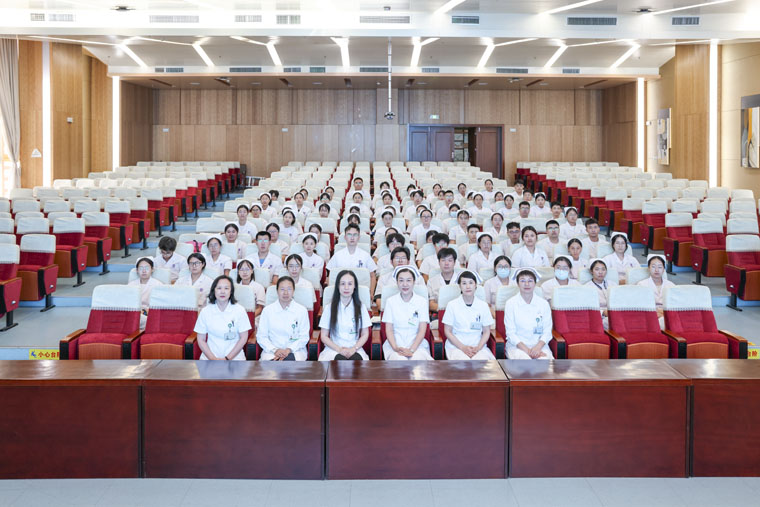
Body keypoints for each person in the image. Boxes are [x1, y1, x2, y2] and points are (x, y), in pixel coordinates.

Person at [381, 266, 433, 360]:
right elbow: (389, 330)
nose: (405, 284)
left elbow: (422, 330)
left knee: (417, 361)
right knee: (399, 361)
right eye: (401, 280)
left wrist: (412, 350)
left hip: (417, 346)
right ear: (397, 282)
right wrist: (395, 348)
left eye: (408, 280)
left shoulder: (422, 302)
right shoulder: (390, 302)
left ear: (414, 282)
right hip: (395, 345)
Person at [194, 275, 251, 361]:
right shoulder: (205, 311)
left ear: (231, 291)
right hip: (210, 357)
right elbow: (201, 339)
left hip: (235, 358)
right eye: (219, 288)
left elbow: (243, 338)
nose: (222, 292)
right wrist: (212, 358)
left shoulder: (240, 310)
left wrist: (227, 358)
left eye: (226, 288)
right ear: (214, 290)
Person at [441, 271, 495, 360]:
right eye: (464, 283)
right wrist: (463, 347)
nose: (468, 286)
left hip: (478, 346)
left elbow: (486, 331)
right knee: (463, 364)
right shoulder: (452, 305)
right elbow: (447, 331)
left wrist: (478, 348)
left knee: (482, 364)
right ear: (459, 286)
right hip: (456, 347)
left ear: (475, 285)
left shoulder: (483, 306)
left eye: (471, 283)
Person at [318, 270, 371, 360]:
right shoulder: (329, 308)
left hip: (355, 348)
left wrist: (354, 349)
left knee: (356, 361)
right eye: (342, 284)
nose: (346, 287)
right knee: (340, 361)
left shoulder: (361, 307)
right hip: (334, 349)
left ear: (354, 286)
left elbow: (365, 334)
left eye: (350, 284)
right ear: (338, 286)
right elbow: (324, 336)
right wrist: (339, 349)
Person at [256, 276, 311, 360]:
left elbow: (304, 337)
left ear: (293, 291)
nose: (285, 293)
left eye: (289, 289)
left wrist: (289, 350)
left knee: (290, 363)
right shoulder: (267, 310)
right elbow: (261, 336)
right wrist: (275, 350)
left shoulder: (301, 310)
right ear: (277, 291)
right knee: (273, 365)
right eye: (282, 289)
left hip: (295, 351)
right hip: (271, 352)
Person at [504, 267, 553, 360]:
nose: (527, 284)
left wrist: (537, 348)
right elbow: (510, 333)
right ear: (517, 283)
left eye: (530, 280)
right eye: (522, 280)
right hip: (517, 347)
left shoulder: (543, 304)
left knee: (545, 363)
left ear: (535, 283)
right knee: (525, 362)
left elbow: (547, 331)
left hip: (540, 346)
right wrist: (528, 351)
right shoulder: (511, 304)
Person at [326, 223, 377, 295]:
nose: (352, 238)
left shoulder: (365, 255)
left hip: (361, 293)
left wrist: (371, 293)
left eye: (355, 235)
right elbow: (330, 277)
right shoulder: (337, 255)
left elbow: (372, 276)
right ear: (345, 237)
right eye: (349, 235)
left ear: (359, 237)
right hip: (341, 293)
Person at [637, 254, 675, 329]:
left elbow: (674, 305)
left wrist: (663, 314)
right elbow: (641, 305)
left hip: (667, 315)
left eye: (660, 267)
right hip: (649, 315)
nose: (657, 270)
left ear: (664, 269)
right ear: (648, 268)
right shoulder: (641, 285)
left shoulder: (671, 285)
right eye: (653, 267)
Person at [128, 257, 163, 329]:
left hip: (151, 314)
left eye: (147, 268)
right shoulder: (131, 285)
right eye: (141, 268)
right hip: (135, 313)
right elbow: (127, 302)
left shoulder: (158, 285)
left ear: (152, 269)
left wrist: (146, 311)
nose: (144, 271)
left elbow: (161, 305)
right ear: (137, 270)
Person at [427, 247, 461, 312]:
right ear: (439, 262)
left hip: (458, 312)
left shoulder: (462, 280)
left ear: (454, 263)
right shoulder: (431, 281)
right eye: (443, 260)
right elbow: (431, 304)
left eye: (450, 260)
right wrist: (446, 310)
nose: (446, 263)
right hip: (439, 313)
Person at [585, 258, 611, 329]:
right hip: (598, 317)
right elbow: (587, 308)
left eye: (603, 269)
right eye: (597, 269)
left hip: (614, 314)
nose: (600, 272)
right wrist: (603, 312)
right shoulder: (587, 287)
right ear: (591, 271)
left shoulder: (613, 284)